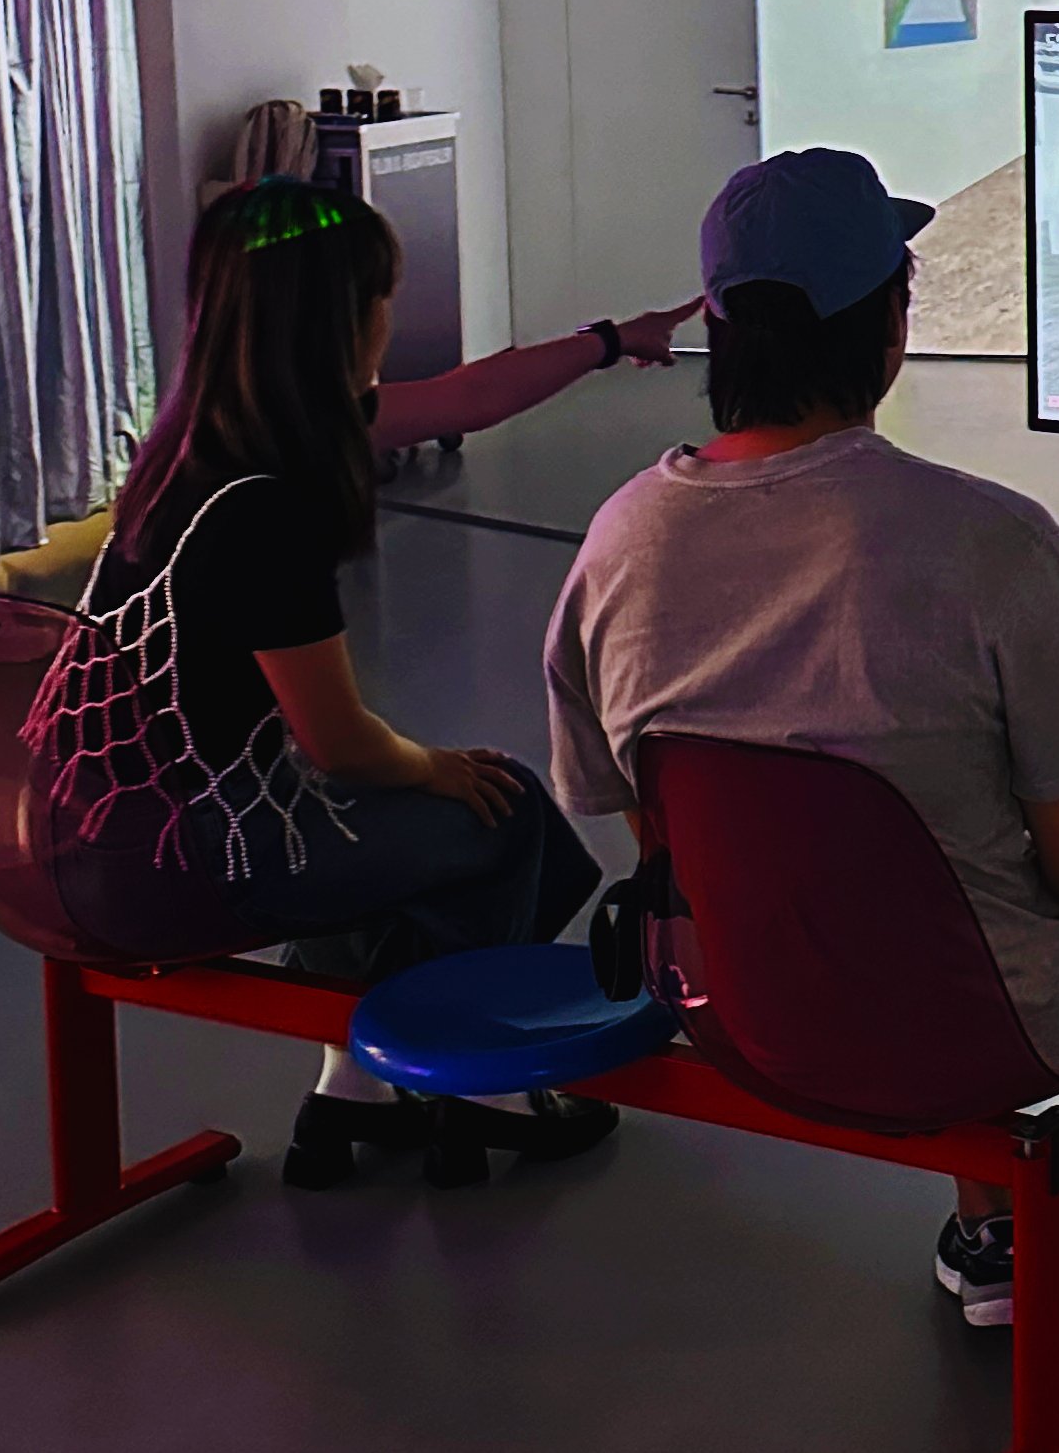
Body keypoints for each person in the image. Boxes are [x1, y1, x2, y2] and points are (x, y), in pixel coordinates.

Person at [544, 148, 1059, 1370]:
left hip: (750, 1011)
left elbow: (645, 828)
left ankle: (987, 1244)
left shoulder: (619, 541)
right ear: (886, 326)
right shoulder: (986, 538)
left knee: (905, 873)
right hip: (987, 1015)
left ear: (717, 328)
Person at [57, 180, 698, 1189]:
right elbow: (338, 742)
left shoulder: (197, 443)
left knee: (394, 815)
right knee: (502, 811)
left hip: (97, 830)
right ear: (343, 316)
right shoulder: (262, 507)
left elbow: (464, 396)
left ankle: (348, 1091)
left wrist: (613, 340)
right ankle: (479, 1092)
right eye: (381, 295)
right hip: (178, 860)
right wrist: (436, 765)